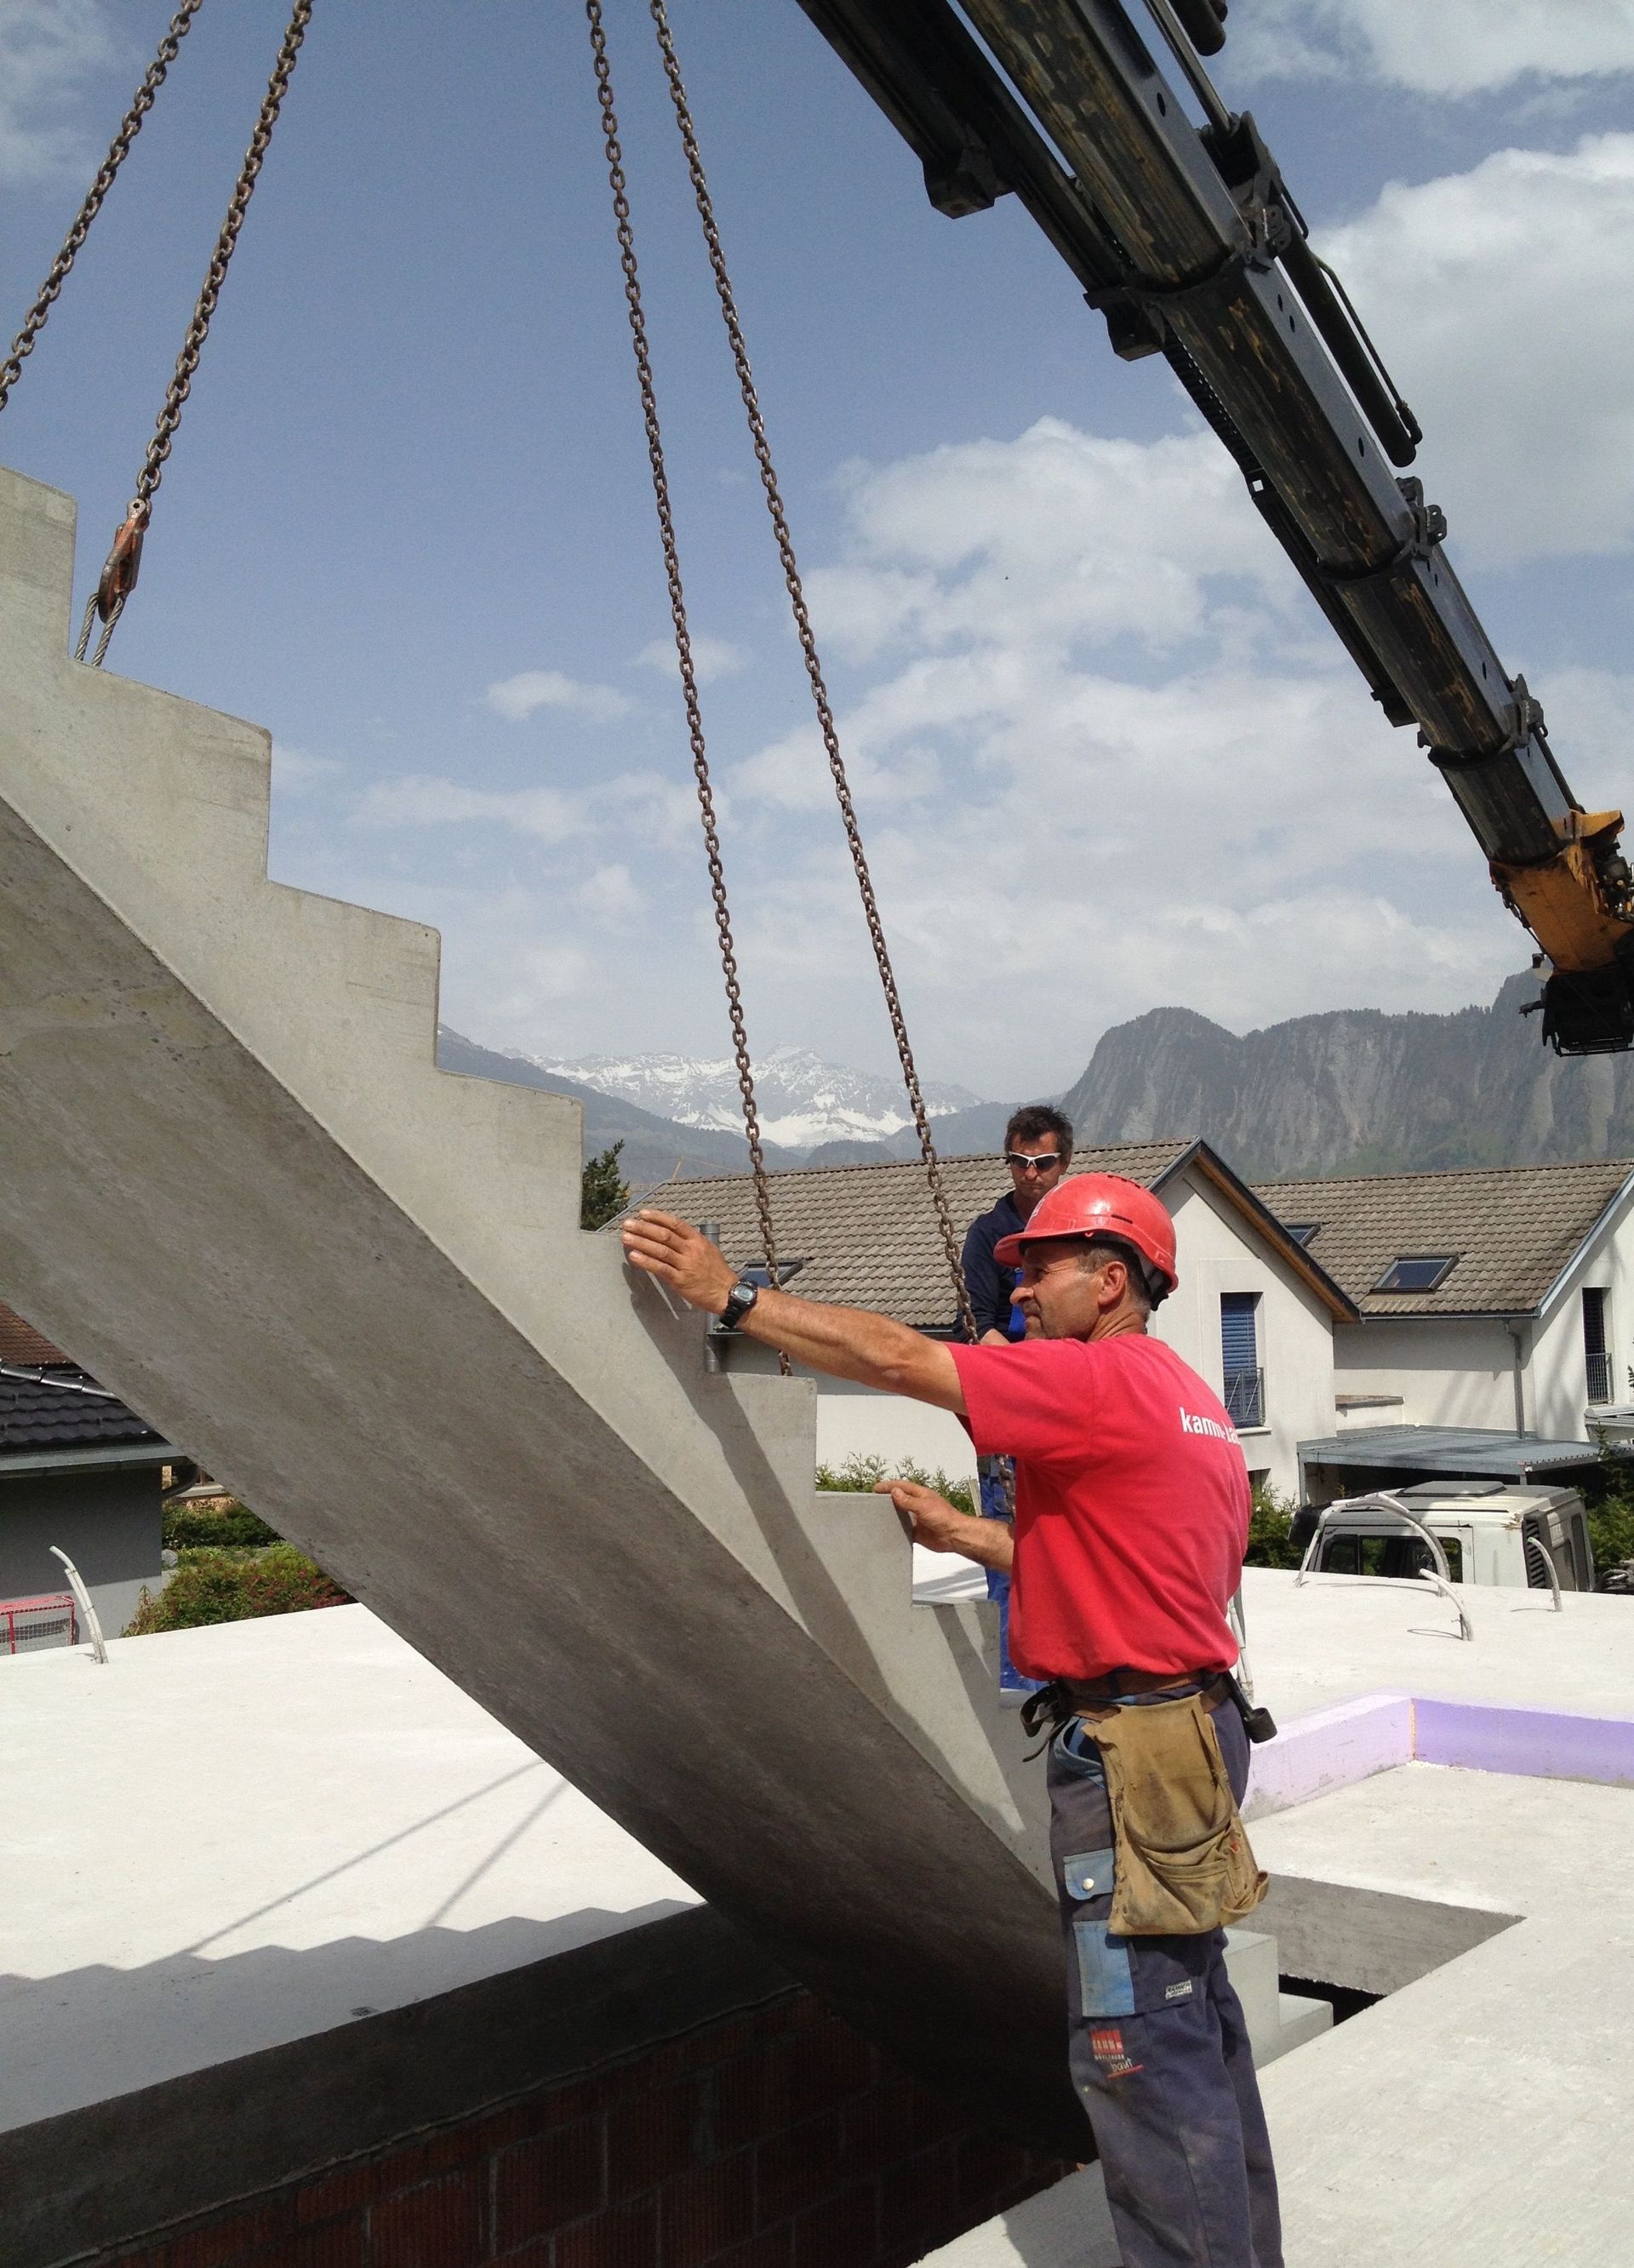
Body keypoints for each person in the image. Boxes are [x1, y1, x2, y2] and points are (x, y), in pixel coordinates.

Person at [621, 1173, 1280, 2268]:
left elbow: (896, 1358)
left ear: (1111, 1280)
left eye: (1043, 1266)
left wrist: (731, 1297)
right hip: (1193, 1731)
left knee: (1139, 2059)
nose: (1020, 1286)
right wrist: (966, 1534)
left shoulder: (1091, 1377)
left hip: (1133, 1762)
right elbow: (1128, 1574)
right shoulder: (1189, 1400)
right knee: (1198, 2037)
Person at [961, 1104, 1074, 1345]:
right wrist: (1022, 1370)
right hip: (1009, 1363)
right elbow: (974, 1321)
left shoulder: (1079, 1230)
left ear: (1064, 1162)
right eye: (1021, 1162)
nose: (1030, 1174)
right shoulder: (987, 1234)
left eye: (1043, 1163)